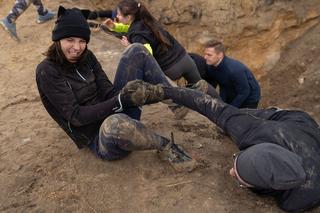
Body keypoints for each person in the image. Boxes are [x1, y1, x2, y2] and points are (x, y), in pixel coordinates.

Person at [35, 6, 196, 171]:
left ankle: (175, 101)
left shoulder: (87, 56)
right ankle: (165, 146)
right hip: (101, 138)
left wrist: (133, 94)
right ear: (58, 39)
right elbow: (76, 116)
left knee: (136, 50)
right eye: (70, 40)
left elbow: (107, 90)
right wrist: (119, 100)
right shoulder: (47, 71)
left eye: (82, 41)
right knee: (115, 123)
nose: (77, 47)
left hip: (117, 113)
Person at [125, 80, 320, 212]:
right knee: (229, 120)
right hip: (293, 120)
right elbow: (209, 106)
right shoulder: (249, 130)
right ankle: (208, 89)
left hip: (306, 136)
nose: (230, 173)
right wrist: (160, 91)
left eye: (241, 181)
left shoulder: (296, 202)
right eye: (235, 161)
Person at [102, 0, 202, 85]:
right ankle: (217, 104)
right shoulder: (147, 20)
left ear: (128, 17)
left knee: (178, 103)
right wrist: (114, 26)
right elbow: (131, 28)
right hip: (185, 59)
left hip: (170, 69)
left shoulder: (135, 34)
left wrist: (131, 46)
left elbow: (147, 53)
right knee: (203, 88)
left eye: (118, 14)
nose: (117, 17)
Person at [191, 40, 261, 108]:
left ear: (220, 55)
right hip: (232, 92)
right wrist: (222, 103)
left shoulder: (234, 69)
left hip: (249, 98)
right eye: (205, 54)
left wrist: (230, 109)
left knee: (240, 118)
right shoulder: (211, 67)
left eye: (209, 55)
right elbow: (222, 86)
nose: (205, 57)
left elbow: (244, 92)